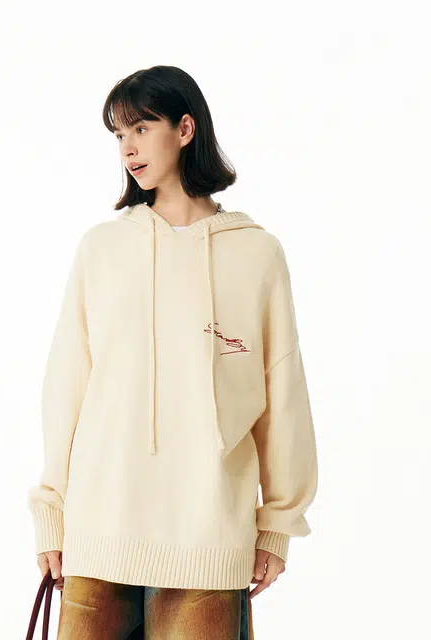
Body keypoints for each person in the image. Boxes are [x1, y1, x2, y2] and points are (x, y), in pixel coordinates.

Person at [27, 65, 318, 639]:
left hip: (208, 533)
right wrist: (52, 514)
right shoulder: (102, 250)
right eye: (119, 134)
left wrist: (277, 523)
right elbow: (67, 388)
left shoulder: (256, 255)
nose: (127, 148)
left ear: (185, 129)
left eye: (141, 128)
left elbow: (282, 395)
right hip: (100, 527)